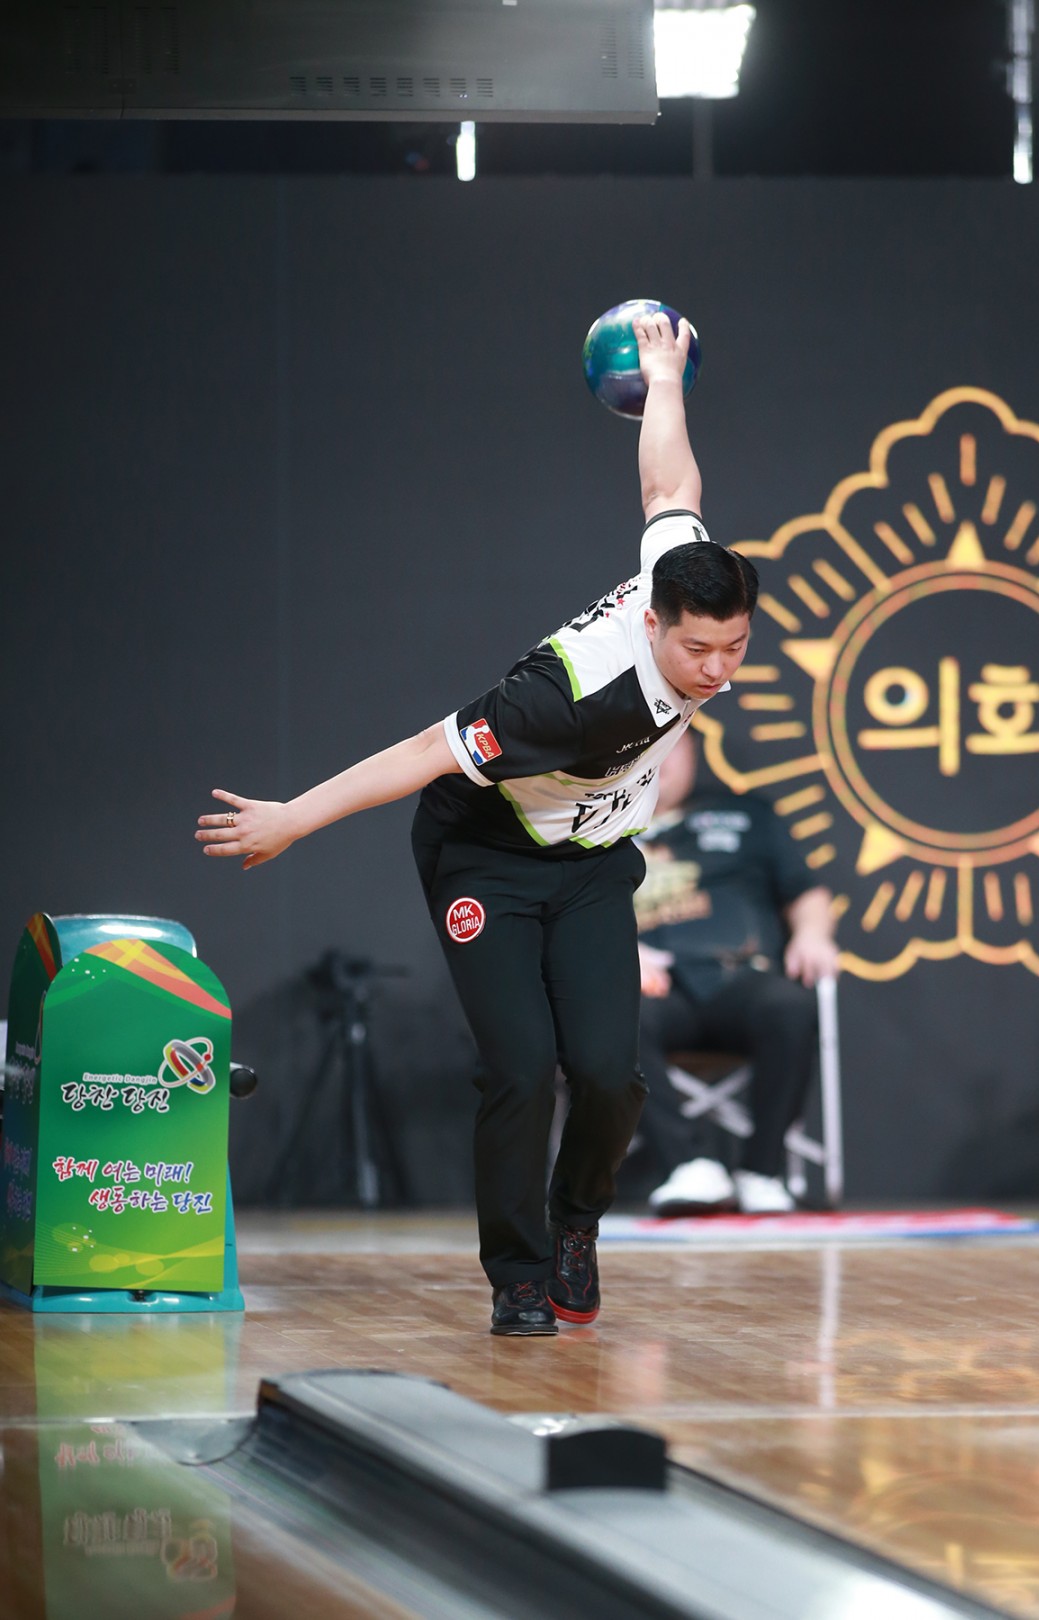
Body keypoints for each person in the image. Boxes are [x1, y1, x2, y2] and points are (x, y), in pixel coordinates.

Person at [196, 311, 758, 1335]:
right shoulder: (565, 698)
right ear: (651, 623)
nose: (717, 671)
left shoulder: (683, 578)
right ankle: (518, 1273)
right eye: (699, 653)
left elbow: (669, 491)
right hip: (486, 858)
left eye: (736, 648)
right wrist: (293, 819)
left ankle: (577, 1224)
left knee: (609, 1076)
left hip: (590, 862)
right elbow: (423, 751)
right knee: (520, 1068)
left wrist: (666, 380)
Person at [635, 731, 839, 1215]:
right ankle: (686, 1166)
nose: (659, 758)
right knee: (606, 1012)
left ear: (693, 750)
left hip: (737, 979)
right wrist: (615, 954)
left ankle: (761, 1172)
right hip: (650, 985)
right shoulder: (591, 826)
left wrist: (812, 934)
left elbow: (806, 892)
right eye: (645, 746)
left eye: (672, 744)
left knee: (789, 1006)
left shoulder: (749, 816)